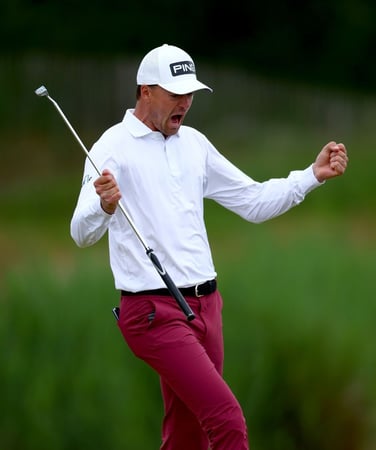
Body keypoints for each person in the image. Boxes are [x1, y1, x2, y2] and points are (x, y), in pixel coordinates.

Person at [70, 44, 348, 450]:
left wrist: (311, 175)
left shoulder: (194, 144)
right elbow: (81, 232)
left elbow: (253, 202)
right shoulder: (111, 147)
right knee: (227, 419)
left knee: (187, 437)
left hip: (206, 306)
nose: (185, 102)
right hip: (152, 312)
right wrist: (104, 204)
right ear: (145, 91)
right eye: (174, 94)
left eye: (190, 93)